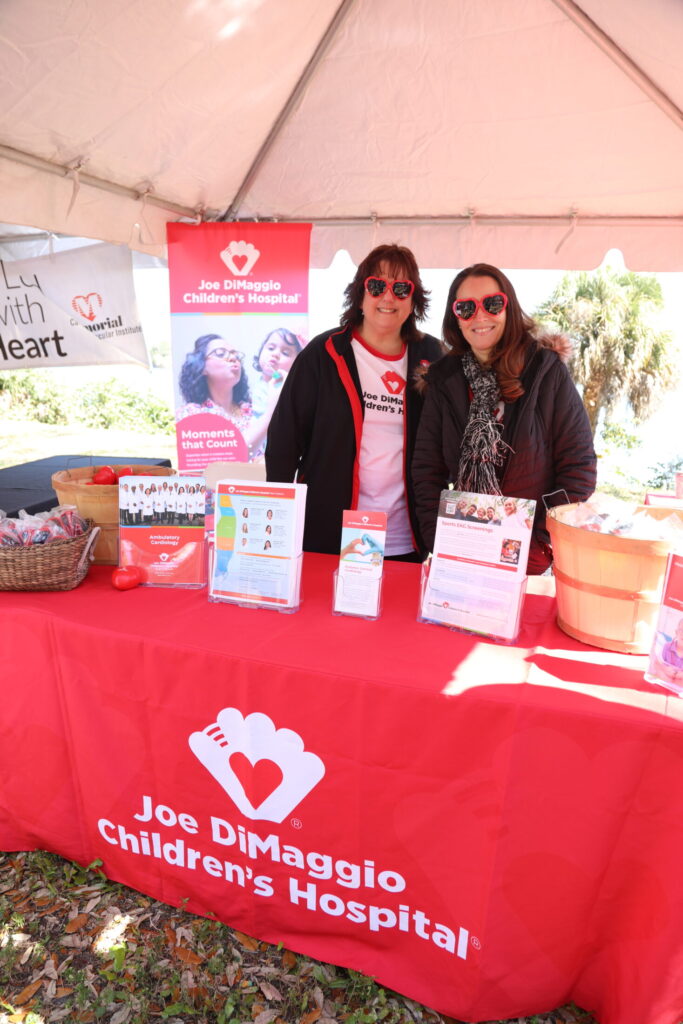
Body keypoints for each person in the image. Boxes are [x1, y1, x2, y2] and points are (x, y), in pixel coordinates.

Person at [412, 263, 596, 574]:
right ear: (455, 318)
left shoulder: (546, 371)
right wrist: (438, 538)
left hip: (527, 558)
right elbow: (427, 469)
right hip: (461, 551)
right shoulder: (443, 380)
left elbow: (578, 467)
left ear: (508, 307)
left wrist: (539, 541)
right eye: (466, 307)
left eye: (492, 303)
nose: (480, 316)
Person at [265, 244, 443, 558]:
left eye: (401, 288)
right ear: (360, 294)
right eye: (377, 286)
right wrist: (277, 519)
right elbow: (284, 439)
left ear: (414, 299)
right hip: (330, 533)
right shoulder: (323, 354)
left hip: (406, 537)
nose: (388, 297)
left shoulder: (434, 357)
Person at [176, 335, 272, 457]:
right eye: (220, 353)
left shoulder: (254, 409)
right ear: (202, 367)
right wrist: (269, 415)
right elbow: (230, 459)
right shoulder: (191, 414)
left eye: (236, 355)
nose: (233, 358)